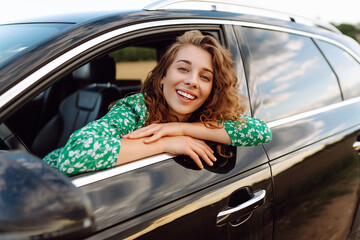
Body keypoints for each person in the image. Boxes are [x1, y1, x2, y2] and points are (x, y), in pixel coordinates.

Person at [43, 30, 272, 176]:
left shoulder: (210, 116)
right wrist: (165, 144)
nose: (192, 81)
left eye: (205, 77)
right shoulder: (137, 108)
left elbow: (261, 132)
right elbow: (75, 156)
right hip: (41, 180)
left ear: (213, 89)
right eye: (183, 68)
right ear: (163, 76)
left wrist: (178, 128)